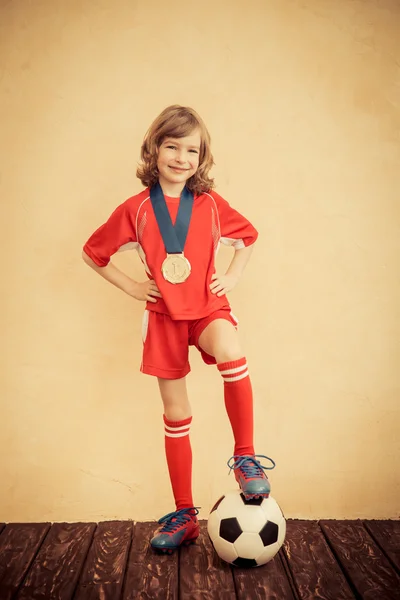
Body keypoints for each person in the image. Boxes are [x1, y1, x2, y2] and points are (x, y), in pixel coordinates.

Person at [82, 105, 275, 553]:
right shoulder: (133, 210)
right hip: (164, 317)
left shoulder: (209, 205)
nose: (181, 157)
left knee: (230, 350)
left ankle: (245, 458)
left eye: (192, 149)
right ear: (155, 149)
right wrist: (132, 286)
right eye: (173, 146)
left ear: (202, 157)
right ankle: (185, 513)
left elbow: (248, 238)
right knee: (175, 415)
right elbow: (93, 253)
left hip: (208, 306)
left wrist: (232, 277)